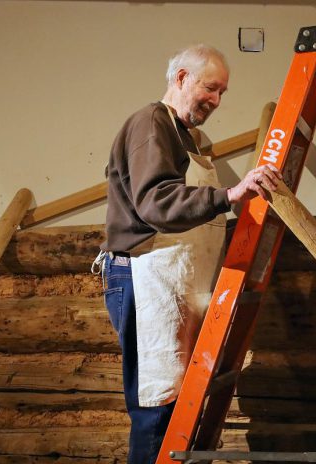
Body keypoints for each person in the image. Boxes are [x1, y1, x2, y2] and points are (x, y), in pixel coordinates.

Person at [94, 44, 281, 464]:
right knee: (156, 406)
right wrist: (230, 194)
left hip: (171, 282)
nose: (215, 101)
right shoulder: (151, 123)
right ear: (180, 78)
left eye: (222, 94)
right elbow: (156, 202)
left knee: (178, 404)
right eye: (210, 88)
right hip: (145, 278)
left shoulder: (186, 136)